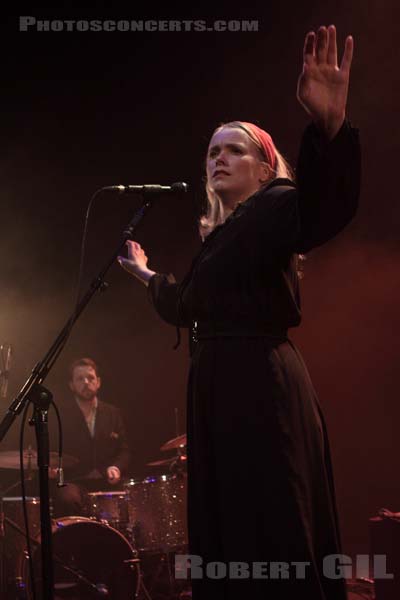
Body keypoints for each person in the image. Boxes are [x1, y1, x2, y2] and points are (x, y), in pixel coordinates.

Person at [118, 25, 360, 600]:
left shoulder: (275, 207)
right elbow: (187, 306)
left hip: (259, 385)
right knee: (230, 533)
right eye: (212, 152)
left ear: (264, 165)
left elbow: (324, 209)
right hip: (222, 387)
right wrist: (146, 273)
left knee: (270, 526)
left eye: (234, 149)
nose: (218, 158)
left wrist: (327, 125)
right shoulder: (221, 241)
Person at [51, 357, 131, 517]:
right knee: (68, 498)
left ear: (98, 382)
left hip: (107, 479)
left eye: (90, 378)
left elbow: (124, 450)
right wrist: (53, 468)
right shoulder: (60, 415)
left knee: (134, 495)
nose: (86, 382)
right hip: (75, 480)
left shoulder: (112, 413)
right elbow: (52, 451)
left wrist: (116, 467)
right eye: (80, 379)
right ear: (71, 385)